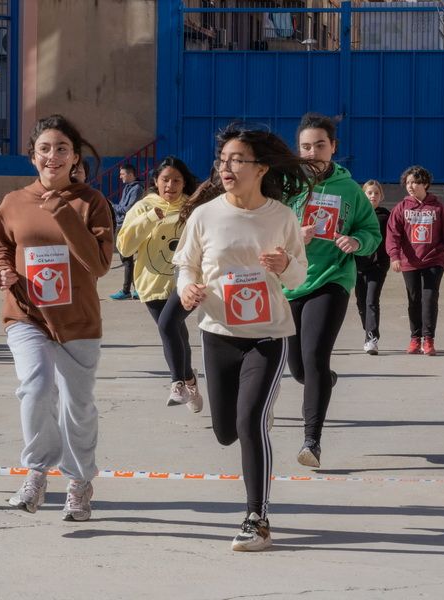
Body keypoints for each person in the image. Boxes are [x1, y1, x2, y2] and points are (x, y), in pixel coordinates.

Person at [174, 125, 311, 552]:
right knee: (225, 432)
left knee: (250, 422)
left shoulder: (281, 216)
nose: (227, 167)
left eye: (237, 160)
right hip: (218, 334)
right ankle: (252, 418)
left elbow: (299, 275)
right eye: (223, 160)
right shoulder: (205, 214)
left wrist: (284, 262)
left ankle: (258, 517)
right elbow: (186, 266)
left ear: (260, 168)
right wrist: (186, 289)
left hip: (267, 336)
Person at [0, 114, 113, 521]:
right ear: (32, 156)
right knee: (36, 387)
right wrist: (1, 272)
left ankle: (79, 482)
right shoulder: (13, 202)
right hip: (27, 316)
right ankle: (37, 472)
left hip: (77, 321)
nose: (53, 156)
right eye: (44, 148)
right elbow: (1, 248)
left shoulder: (91, 203)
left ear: (75, 157)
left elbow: (97, 264)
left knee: (77, 406)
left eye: (62, 148)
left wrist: (62, 209)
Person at [284, 113, 381, 468]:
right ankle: (324, 380)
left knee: (314, 358)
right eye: (306, 146)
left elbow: (371, 231)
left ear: (333, 147)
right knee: (299, 370)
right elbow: (264, 227)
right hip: (290, 282)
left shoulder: (350, 189)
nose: (313, 152)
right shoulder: (285, 185)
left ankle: (312, 441)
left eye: (320, 145)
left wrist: (356, 240)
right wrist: (295, 233)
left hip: (331, 279)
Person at [116, 156, 203, 410]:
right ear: (156, 181)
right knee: (176, 332)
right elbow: (125, 246)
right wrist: (150, 219)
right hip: (152, 283)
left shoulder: (193, 208)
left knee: (168, 325)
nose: (171, 185)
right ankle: (190, 380)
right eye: (165, 179)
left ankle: (178, 381)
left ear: (184, 182)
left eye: (177, 180)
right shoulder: (144, 207)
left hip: (186, 283)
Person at [385, 166, 444, 356]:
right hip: (409, 262)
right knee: (414, 300)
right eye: (407, 183)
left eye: (414, 182)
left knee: (429, 299)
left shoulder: (438, 208)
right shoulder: (401, 208)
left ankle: (428, 340)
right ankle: (415, 339)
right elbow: (393, 235)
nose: (410, 186)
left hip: (434, 260)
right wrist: (394, 256)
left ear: (425, 184)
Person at [354, 180, 390, 355]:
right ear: (363, 195)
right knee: (361, 303)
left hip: (378, 264)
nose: (373, 196)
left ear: (381, 196)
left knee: (371, 301)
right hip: (357, 264)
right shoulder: (357, 215)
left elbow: (395, 238)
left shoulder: (386, 216)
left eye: (376, 193)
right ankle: (368, 329)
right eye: (369, 193)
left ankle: (371, 338)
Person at [110, 163, 145, 300]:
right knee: (127, 258)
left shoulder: (136, 189)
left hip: (128, 225)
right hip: (122, 224)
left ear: (130, 174)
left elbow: (128, 209)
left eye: (122, 174)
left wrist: (113, 206)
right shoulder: (128, 188)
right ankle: (134, 290)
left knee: (127, 258)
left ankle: (128, 291)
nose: (120, 177)